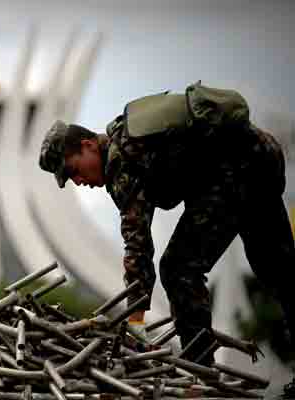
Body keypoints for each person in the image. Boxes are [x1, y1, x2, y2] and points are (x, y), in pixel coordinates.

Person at [38, 81, 295, 396]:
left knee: (179, 268)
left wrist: (135, 322)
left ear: (89, 144)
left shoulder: (120, 161)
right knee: (282, 274)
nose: (79, 182)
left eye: (74, 170)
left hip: (237, 173)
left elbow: (138, 246)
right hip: (261, 160)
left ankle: (200, 374)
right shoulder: (127, 135)